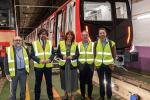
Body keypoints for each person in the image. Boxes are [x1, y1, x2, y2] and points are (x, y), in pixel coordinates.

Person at [30, 29, 54, 100]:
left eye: (45, 34)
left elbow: (53, 53)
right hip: (38, 67)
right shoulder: (34, 43)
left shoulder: (50, 43)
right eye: (42, 34)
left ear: (47, 35)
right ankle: (37, 98)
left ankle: (51, 98)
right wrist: (39, 60)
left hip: (48, 66)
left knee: (49, 84)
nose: (43, 35)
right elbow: (32, 55)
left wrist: (49, 59)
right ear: (39, 35)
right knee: (38, 84)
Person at [4, 36, 30, 100]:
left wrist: (27, 68)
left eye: (19, 40)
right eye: (16, 40)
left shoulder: (25, 49)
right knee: (13, 89)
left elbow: (28, 58)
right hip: (14, 73)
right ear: (13, 42)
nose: (18, 41)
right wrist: (7, 73)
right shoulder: (9, 50)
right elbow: (6, 62)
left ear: (21, 41)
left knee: (23, 89)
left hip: (23, 72)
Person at [94, 28, 116, 100]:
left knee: (108, 81)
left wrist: (113, 63)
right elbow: (94, 54)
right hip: (99, 65)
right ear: (99, 34)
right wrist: (95, 64)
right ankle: (102, 96)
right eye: (100, 33)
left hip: (108, 65)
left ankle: (109, 97)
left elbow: (114, 55)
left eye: (103, 33)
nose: (102, 34)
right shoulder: (96, 43)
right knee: (101, 81)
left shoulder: (111, 43)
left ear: (106, 34)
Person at [57, 31, 78, 100]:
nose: (69, 36)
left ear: (72, 36)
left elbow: (77, 54)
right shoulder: (61, 43)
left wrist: (73, 57)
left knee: (73, 80)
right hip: (64, 65)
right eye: (68, 35)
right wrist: (62, 56)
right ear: (66, 36)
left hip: (72, 65)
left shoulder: (75, 44)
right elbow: (58, 53)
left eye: (71, 35)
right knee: (64, 80)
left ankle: (72, 96)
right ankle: (65, 94)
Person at [78, 31, 94, 100]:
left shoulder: (93, 44)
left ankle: (90, 96)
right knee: (82, 82)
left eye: (86, 35)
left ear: (88, 36)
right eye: (83, 35)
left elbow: (95, 55)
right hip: (82, 66)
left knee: (90, 82)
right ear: (81, 36)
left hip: (90, 66)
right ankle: (83, 96)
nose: (85, 36)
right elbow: (76, 55)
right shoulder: (78, 45)